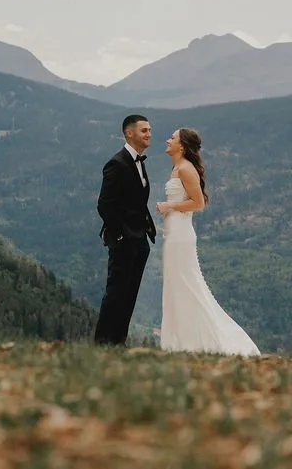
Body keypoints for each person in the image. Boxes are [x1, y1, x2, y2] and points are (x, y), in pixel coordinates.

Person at [156, 127, 260, 355]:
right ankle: (180, 341)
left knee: (187, 284)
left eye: (172, 138)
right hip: (173, 233)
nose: (168, 140)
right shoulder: (177, 168)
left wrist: (169, 206)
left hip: (181, 236)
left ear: (181, 145)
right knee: (176, 284)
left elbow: (199, 202)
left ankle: (204, 340)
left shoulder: (185, 168)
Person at [94, 113, 155, 345]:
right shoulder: (117, 163)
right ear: (129, 133)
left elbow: (137, 202)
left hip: (140, 242)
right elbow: (104, 205)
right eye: (144, 130)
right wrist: (120, 233)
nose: (149, 134)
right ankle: (102, 342)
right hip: (123, 240)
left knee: (130, 294)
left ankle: (118, 342)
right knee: (115, 293)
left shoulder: (139, 162)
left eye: (149, 130)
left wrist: (145, 230)